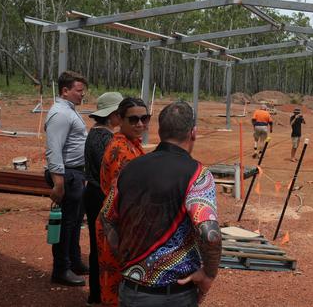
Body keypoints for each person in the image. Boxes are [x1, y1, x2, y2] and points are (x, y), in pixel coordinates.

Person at [99, 102, 221, 307]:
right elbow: (210, 234)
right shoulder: (198, 175)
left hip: (132, 291)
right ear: (193, 133)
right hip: (175, 294)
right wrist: (208, 274)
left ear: (159, 131)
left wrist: (127, 257)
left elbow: (106, 217)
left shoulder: (130, 168)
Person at [96, 97, 149, 306]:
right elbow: (121, 198)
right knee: (118, 291)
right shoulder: (122, 151)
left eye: (145, 118)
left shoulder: (131, 144)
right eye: (133, 119)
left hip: (120, 224)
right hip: (117, 226)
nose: (140, 124)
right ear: (120, 119)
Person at [44, 70, 89, 286]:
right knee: (67, 224)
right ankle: (61, 269)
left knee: (75, 221)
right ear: (65, 90)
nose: (82, 95)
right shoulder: (60, 114)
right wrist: (58, 181)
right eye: (79, 91)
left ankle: (74, 261)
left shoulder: (69, 110)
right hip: (67, 175)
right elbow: (54, 149)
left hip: (75, 173)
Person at [83, 92, 123, 304]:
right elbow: (109, 172)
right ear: (113, 115)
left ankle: (96, 293)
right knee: (105, 246)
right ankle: (101, 294)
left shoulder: (95, 133)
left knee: (96, 244)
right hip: (101, 194)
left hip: (93, 193)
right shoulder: (106, 139)